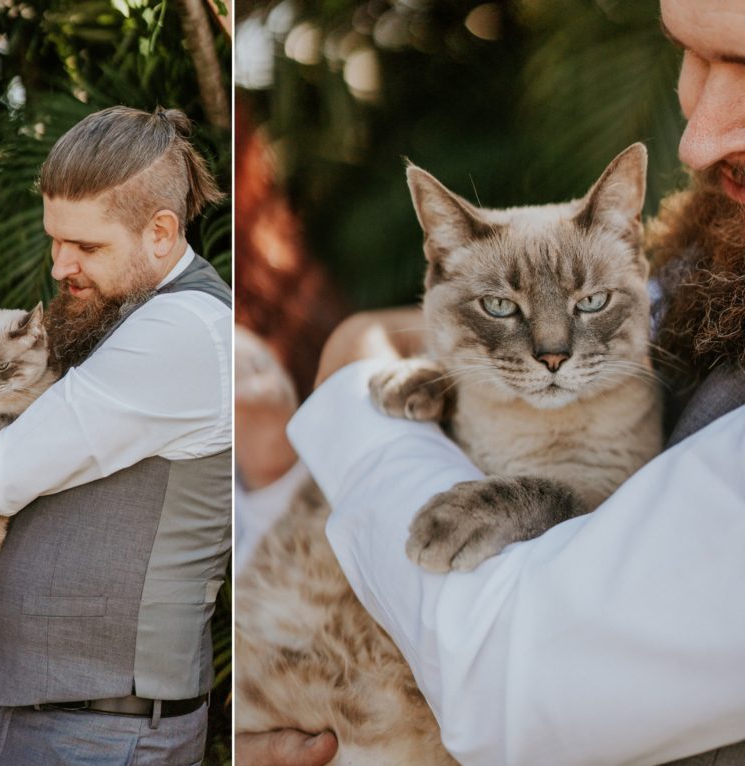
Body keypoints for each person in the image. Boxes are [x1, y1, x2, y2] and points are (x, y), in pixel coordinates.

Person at [241, 0, 745, 764]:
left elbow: (524, 679)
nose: (699, 139)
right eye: (692, 54)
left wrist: (351, 394)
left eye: (743, 66)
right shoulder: (711, 252)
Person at [0, 106, 232, 764]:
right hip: (88, 723)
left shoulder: (178, 332)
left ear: (160, 232)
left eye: (86, 247)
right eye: (54, 240)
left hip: (106, 732)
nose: (60, 265)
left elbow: (3, 472)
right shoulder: (137, 317)